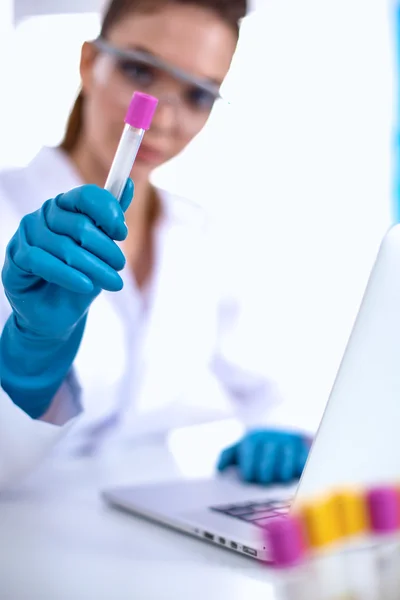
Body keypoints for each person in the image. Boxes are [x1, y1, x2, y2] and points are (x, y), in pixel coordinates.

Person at [0, 0, 311, 487]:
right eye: (139, 70)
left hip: (155, 530)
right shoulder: (8, 209)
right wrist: (32, 359)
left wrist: (282, 432)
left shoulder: (200, 235)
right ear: (88, 63)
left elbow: (270, 393)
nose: (163, 120)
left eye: (198, 95)